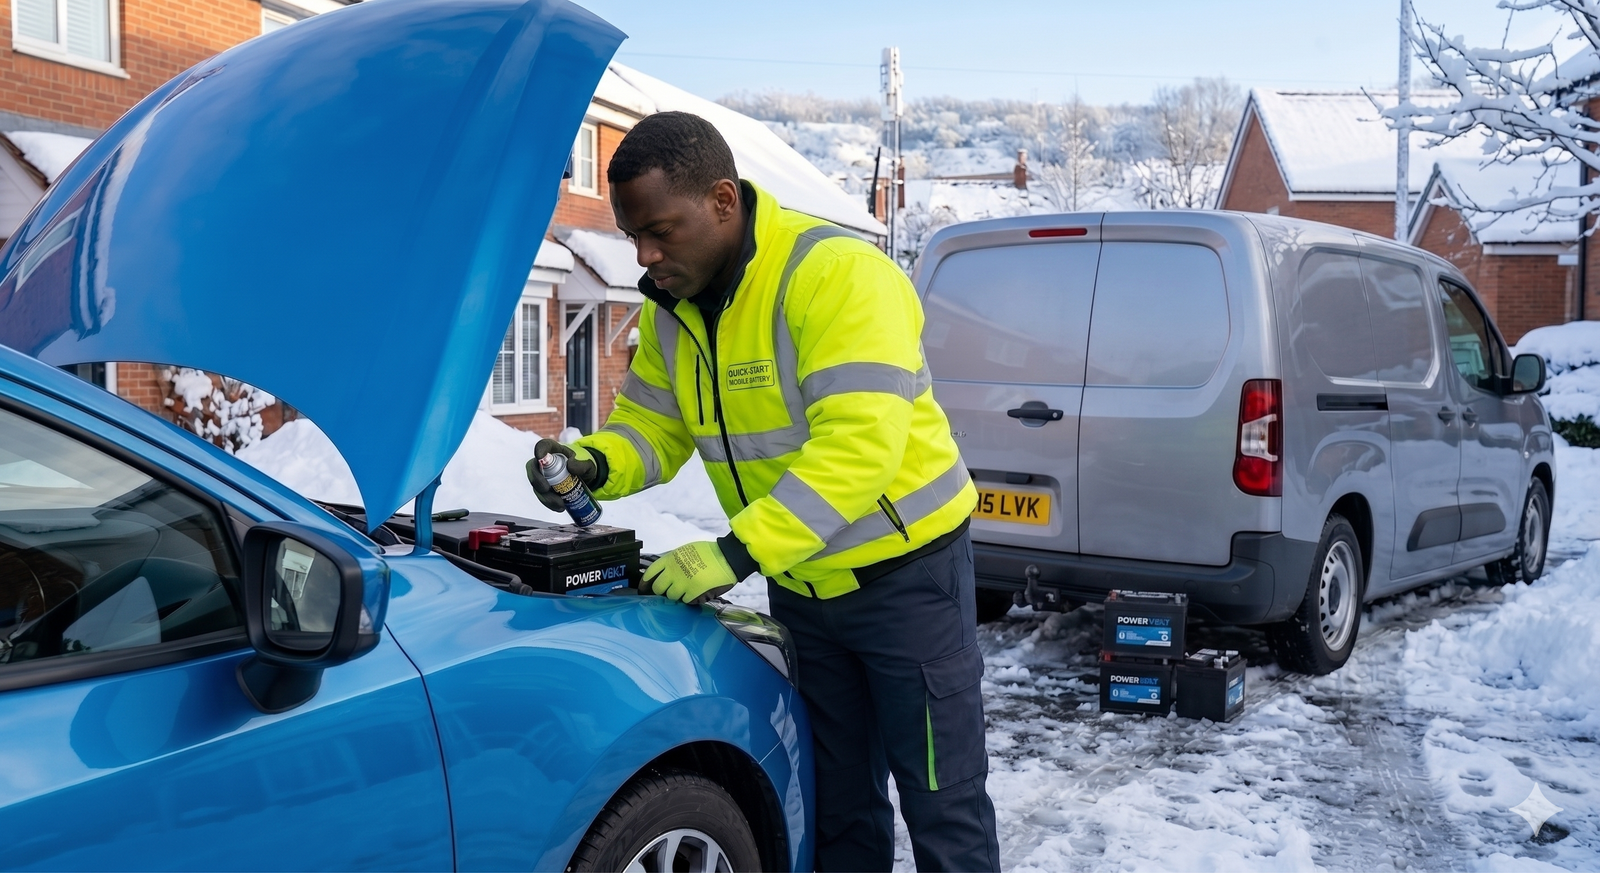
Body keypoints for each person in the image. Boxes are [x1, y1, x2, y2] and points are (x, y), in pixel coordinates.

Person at [526, 111, 998, 872]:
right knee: (839, 806)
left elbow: (859, 448)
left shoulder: (836, 276)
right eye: (633, 236)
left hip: (907, 583)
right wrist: (594, 464)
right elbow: (652, 428)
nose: (645, 256)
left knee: (944, 805)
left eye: (660, 231)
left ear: (722, 201)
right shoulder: (672, 309)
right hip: (803, 588)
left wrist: (735, 552)